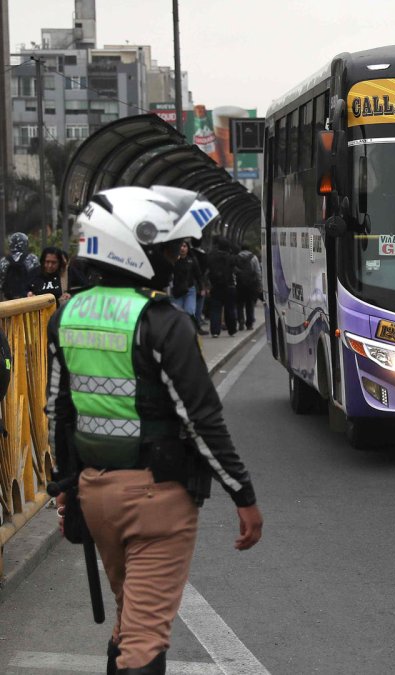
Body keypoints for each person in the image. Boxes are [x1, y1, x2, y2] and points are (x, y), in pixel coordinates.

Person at [47, 185, 262, 674]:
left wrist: (66, 488)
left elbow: (59, 411)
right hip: (157, 498)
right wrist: (242, 494)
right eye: (170, 247)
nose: (178, 256)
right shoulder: (164, 322)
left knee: (129, 623)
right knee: (144, 641)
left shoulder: (66, 317)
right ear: (135, 249)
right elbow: (202, 419)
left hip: (95, 493)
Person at [205, 237, 238, 337]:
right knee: (230, 309)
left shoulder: (211, 256)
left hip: (216, 286)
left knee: (215, 309)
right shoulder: (230, 257)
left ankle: (215, 331)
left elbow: (208, 270)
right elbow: (235, 267)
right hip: (229, 286)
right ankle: (232, 329)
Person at [0, 232, 41, 300]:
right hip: (28, 298)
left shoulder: (3, 261)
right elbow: (38, 280)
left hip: (8, 300)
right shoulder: (32, 259)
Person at [169, 240, 202, 323]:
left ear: (188, 248)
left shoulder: (192, 260)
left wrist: (202, 287)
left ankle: (189, 330)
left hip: (190, 289)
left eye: (184, 246)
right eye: (181, 246)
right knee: (177, 312)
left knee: (189, 311)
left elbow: (198, 275)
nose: (182, 248)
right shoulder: (173, 260)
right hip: (177, 290)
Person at [234, 244, 261, 330]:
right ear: (249, 249)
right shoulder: (254, 258)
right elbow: (258, 272)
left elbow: (233, 270)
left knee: (240, 304)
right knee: (250, 304)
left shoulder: (236, 257)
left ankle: (241, 321)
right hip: (251, 284)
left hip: (239, 284)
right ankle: (249, 324)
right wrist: (259, 284)